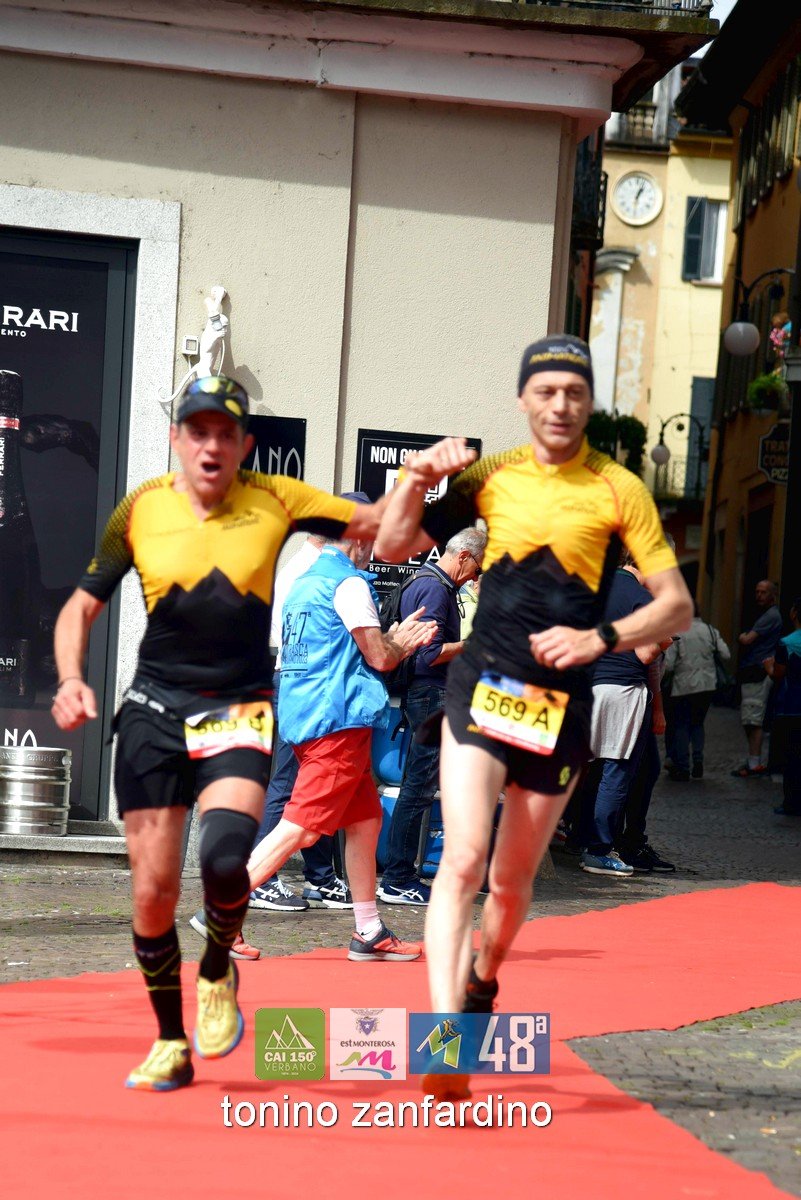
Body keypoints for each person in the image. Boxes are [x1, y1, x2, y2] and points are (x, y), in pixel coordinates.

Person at [50, 373, 392, 1093]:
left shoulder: (275, 501)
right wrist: (72, 678)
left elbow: (381, 523)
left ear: (244, 444)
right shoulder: (141, 508)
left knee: (226, 858)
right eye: (197, 431)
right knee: (152, 891)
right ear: (177, 439)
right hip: (153, 711)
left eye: (224, 434)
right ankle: (170, 1040)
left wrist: (422, 481)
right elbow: (80, 606)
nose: (210, 445)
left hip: (237, 708)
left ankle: (215, 968)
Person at [374, 333, 692, 1099]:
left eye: (574, 393)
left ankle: (482, 979)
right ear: (522, 399)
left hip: (557, 706)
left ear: (589, 403)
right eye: (545, 391)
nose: (559, 405)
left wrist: (599, 637)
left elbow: (675, 606)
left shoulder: (618, 487)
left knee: (511, 885)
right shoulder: (490, 476)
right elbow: (389, 542)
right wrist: (415, 478)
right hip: (479, 687)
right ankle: (447, 1044)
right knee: (462, 859)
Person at [191, 495, 433, 959]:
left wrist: (389, 643)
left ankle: (369, 930)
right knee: (300, 828)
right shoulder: (349, 584)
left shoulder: (303, 582)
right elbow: (379, 657)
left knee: (365, 821)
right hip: (339, 723)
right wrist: (400, 642)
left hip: (310, 717)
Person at [378, 527, 486, 905]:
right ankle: (398, 879)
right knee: (419, 788)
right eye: (477, 568)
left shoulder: (425, 582)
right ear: (463, 556)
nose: (475, 577)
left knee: (418, 787)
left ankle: (400, 874)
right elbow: (430, 654)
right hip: (430, 695)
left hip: (426, 695)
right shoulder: (436, 589)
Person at [246, 529, 349, 916]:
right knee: (289, 780)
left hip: (299, 682)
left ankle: (319, 876)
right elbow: (301, 644)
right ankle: (262, 878)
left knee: (313, 781)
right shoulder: (308, 574)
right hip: (299, 683)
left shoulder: (304, 569)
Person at [575, 553, 674, 877]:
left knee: (588, 767)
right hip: (623, 688)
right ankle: (599, 850)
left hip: (588, 685)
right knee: (617, 769)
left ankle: (578, 837)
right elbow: (646, 654)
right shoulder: (642, 599)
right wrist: (665, 640)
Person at [662, 605, 731, 781]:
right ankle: (698, 759)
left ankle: (684, 766)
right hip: (707, 685)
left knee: (681, 724)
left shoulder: (677, 632)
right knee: (698, 723)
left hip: (684, 686)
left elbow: (669, 665)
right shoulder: (710, 630)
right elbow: (726, 654)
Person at [732, 579, 783, 778]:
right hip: (755, 671)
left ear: (772, 594)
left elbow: (747, 639)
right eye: (757, 592)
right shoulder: (767, 614)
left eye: (763, 592)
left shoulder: (770, 616)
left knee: (753, 718)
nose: (759, 595)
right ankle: (754, 761)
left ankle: (754, 763)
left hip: (758, 672)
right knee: (751, 718)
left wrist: (742, 636)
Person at [766, 598, 801, 817]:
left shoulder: (786, 643)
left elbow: (778, 674)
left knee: (792, 756)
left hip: (792, 705)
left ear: (794, 613)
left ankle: (791, 802)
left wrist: (769, 667)